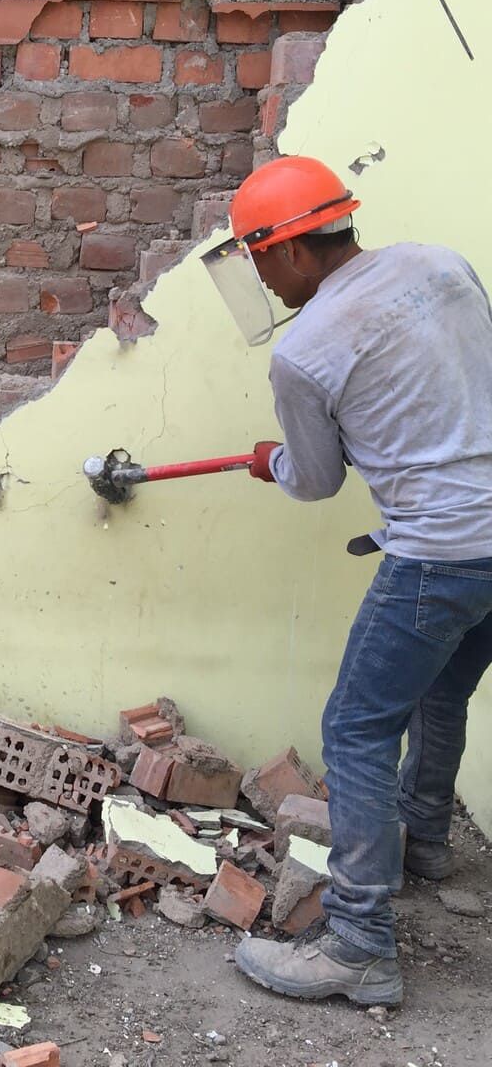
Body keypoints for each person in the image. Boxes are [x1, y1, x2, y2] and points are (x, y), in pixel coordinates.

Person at [202, 155, 492, 1007]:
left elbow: (317, 480)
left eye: (256, 260)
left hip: (439, 551)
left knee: (357, 728)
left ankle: (360, 944)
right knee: (440, 694)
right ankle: (425, 843)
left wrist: (275, 462)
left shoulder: (306, 352)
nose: (259, 277)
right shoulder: (442, 265)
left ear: (290, 252)